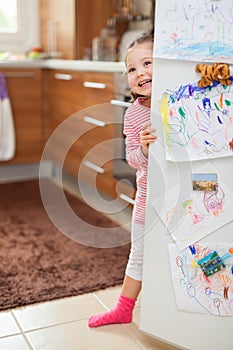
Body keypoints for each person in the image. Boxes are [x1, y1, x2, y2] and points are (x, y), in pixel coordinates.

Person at [88, 34, 157, 328]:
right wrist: (143, 147)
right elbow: (132, 161)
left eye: (147, 63)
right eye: (132, 69)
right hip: (148, 201)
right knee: (139, 256)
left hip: (187, 202)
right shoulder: (134, 115)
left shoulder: (188, 104)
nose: (139, 72)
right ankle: (123, 309)